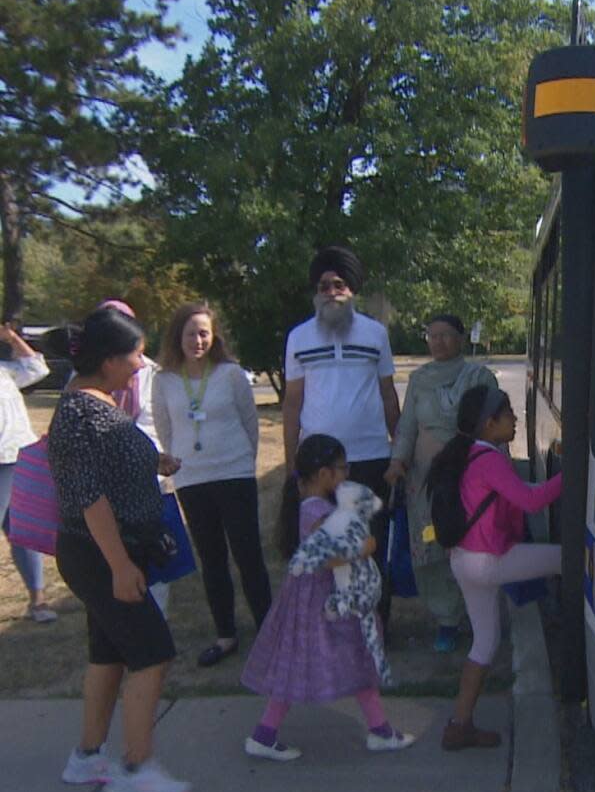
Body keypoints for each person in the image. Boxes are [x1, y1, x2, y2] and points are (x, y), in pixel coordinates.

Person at [46, 308, 190, 792]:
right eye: (134, 352)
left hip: (107, 552)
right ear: (108, 360)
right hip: (102, 554)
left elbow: (111, 459)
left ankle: (87, 757)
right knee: (153, 654)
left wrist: (153, 461)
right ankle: (135, 767)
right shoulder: (78, 414)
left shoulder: (93, 403)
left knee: (108, 656)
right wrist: (121, 567)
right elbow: (91, 499)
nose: (140, 361)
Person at [241, 434, 415, 760]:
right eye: (342, 468)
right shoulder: (316, 511)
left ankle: (267, 733)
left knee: (340, 658)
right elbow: (328, 555)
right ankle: (378, 731)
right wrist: (365, 547)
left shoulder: (310, 507)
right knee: (355, 655)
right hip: (323, 601)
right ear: (324, 474)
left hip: (316, 599)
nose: (346, 474)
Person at [425, 385, 562, 751]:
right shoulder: (490, 459)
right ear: (489, 423)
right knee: (569, 558)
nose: (516, 418)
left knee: (484, 641)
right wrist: (573, 474)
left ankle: (459, 726)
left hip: (462, 561)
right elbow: (531, 500)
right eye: (509, 414)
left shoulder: (466, 454)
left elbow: (519, 491)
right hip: (489, 562)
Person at [283, 245, 400, 629]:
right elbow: (292, 403)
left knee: (370, 545)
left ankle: (376, 624)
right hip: (319, 464)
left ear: (352, 290)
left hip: (369, 456)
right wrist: (290, 464)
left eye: (339, 285)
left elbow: (387, 393)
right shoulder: (298, 337)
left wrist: (398, 450)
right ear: (316, 293)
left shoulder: (375, 333)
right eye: (324, 286)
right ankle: (332, 625)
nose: (331, 291)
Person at [153, 302, 270, 667]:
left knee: (248, 555)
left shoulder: (231, 374)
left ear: (214, 335)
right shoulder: (164, 379)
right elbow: (165, 429)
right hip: (192, 478)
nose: (198, 340)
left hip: (234, 473)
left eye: (204, 332)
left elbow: (250, 424)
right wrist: (182, 461)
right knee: (212, 558)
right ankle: (226, 634)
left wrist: (242, 463)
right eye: (191, 333)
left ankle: (268, 631)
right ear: (178, 337)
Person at [386, 313, 496, 652]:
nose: (439, 342)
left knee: (467, 545)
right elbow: (407, 427)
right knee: (431, 547)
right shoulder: (420, 380)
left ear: (461, 338)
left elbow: (494, 426)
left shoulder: (478, 376)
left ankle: (478, 616)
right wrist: (398, 461)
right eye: (432, 336)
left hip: (467, 478)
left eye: (446, 335)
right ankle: (446, 619)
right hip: (424, 483)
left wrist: (496, 471)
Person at [96, 299, 177, 617]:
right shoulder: (86, 377)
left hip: (150, 479)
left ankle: (157, 613)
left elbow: (162, 423)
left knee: (155, 548)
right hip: (107, 484)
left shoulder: (152, 373)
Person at [0, 322, 55, 622]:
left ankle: (39, 601)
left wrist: (11, 338)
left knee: (22, 531)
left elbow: (37, 368)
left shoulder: (5, 370)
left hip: (19, 456)